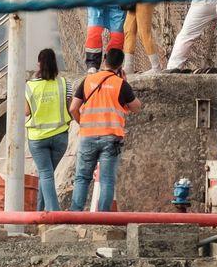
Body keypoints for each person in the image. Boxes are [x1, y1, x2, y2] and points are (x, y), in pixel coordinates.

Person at [68, 49, 142, 212]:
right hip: (111, 138)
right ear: (120, 65)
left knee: (82, 178)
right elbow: (137, 107)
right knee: (107, 179)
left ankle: (74, 215)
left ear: (104, 60)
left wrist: (84, 124)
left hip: (88, 137)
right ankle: (103, 218)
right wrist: (124, 82)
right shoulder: (120, 84)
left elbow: (73, 108)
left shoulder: (88, 81)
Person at [25, 49, 71, 212]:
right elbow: (69, 106)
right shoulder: (64, 83)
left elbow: (26, 112)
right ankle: (40, 212)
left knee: (46, 174)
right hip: (60, 137)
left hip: (38, 138)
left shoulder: (30, 86)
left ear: (39, 64)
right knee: (47, 175)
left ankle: (54, 214)